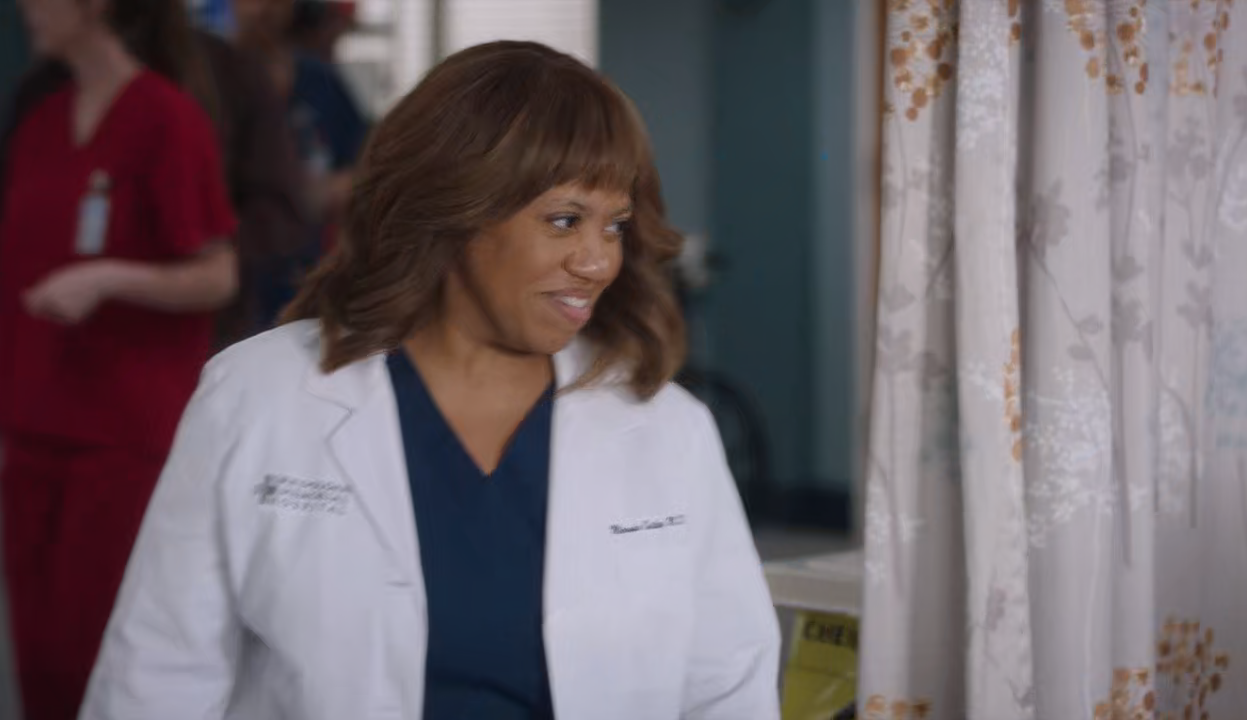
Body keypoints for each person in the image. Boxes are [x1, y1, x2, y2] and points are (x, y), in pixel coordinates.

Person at [80, 41, 781, 720]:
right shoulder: (259, 394)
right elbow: (158, 674)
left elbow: (728, 686)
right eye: (565, 221)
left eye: (615, 226)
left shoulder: (668, 429)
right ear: (455, 210)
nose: (598, 262)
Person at [0, 0, 238, 717]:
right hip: (34, 431)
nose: (27, 9)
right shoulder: (43, 123)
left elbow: (217, 274)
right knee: (39, 663)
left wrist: (107, 279)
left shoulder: (166, 119)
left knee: (101, 657)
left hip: (121, 440)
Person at [232, 0, 369, 331]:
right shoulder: (214, 77)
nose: (263, 10)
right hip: (238, 287)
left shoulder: (321, 81)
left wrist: (329, 190)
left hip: (308, 282)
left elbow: (368, 169)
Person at [191, 27, 308, 348]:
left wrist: (209, 252)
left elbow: (281, 211)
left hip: (216, 325)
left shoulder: (228, 70)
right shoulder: (61, 77)